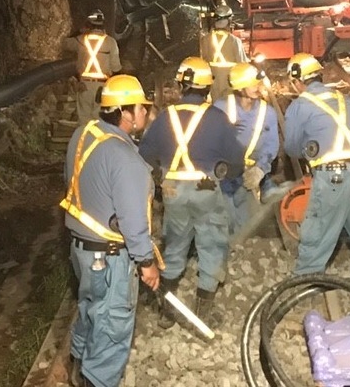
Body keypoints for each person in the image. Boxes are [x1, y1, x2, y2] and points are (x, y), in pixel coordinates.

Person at [60, 74, 161, 387]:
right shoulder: (126, 159)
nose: (145, 112)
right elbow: (133, 222)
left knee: (90, 308)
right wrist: (147, 265)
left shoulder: (83, 134)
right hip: (110, 259)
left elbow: (72, 180)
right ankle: (96, 380)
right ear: (125, 113)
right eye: (141, 108)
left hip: (80, 248)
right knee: (113, 323)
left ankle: (78, 365)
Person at [139, 56, 244, 325]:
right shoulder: (218, 119)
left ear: (180, 85)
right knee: (212, 244)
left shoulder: (165, 117)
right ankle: (202, 310)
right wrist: (224, 173)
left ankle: (168, 311)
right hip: (205, 187)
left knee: (174, 245)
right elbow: (236, 162)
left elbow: (145, 155)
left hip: (173, 189)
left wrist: (162, 178)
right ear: (208, 87)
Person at [281, 52, 350, 284]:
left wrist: (310, 151)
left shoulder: (299, 106)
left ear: (297, 81)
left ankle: (305, 279)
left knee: (319, 228)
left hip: (333, 176)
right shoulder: (342, 98)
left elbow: (292, 148)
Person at [213, 62, 280, 234]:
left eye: (258, 82)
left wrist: (260, 169)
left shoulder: (268, 112)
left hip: (248, 174)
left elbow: (271, 145)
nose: (257, 86)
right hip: (223, 175)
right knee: (224, 222)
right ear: (240, 87)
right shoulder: (220, 109)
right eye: (253, 83)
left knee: (247, 226)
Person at [62, 9, 122, 124]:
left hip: (84, 85)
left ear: (88, 24)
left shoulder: (80, 40)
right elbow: (116, 68)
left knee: (84, 121)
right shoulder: (111, 42)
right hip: (103, 86)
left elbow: (64, 43)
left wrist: (79, 31)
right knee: (101, 121)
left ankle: (85, 140)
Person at [199, 4, 246, 100]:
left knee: (216, 106)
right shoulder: (235, 41)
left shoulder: (205, 39)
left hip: (213, 81)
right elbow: (242, 64)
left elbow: (203, 61)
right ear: (229, 21)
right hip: (230, 81)